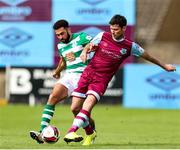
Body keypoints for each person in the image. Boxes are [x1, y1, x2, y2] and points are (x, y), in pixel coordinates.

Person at [63, 14, 176, 146]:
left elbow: (149, 57)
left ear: (123, 28)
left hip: (101, 80)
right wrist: (84, 52)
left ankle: (71, 131)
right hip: (87, 74)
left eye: (116, 29)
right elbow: (89, 45)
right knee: (75, 108)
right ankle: (90, 133)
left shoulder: (130, 46)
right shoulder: (102, 36)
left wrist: (165, 66)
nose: (113, 31)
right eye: (111, 28)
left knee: (87, 106)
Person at [29, 19, 96, 144]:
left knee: (77, 110)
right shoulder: (60, 46)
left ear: (68, 29)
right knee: (52, 97)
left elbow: (96, 43)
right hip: (69, 76)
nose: (60, 37)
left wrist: (85, 50)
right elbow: (64, 60)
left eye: (62, 33)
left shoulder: (82, 37)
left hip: (84, 77)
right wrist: (58, 70)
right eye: (58, 35)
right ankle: (42, 132)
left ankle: (91, 131)